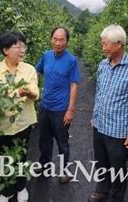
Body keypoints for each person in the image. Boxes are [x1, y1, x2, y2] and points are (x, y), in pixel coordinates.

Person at [89, 25, 128, 202]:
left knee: (117, 167)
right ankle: (102, 189)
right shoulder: (103, 65)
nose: (103, 48)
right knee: (101, 162)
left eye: (106, 44)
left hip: (118, 130)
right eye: (102, 44)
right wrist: (94, 115)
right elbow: (99, 92)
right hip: (100, 126)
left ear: (119, 44)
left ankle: (116, 197)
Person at [0, 31, 39, 202]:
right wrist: (17, 92)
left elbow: (35, 93)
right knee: (3, 157)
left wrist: (29, 93)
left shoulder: (29, 69)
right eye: (18, 46)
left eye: (24, 45)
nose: (22, 50)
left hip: (22, 123)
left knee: (21, 156)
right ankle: (7, 190)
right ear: (5, 50)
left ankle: (21, 187)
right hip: (0, 125)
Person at [35, 26, 81, 184]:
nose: (58, 42)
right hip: (45, 106)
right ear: (51, 39)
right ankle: (44, 165)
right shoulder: (46, 55)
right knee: (44, 139)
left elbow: (74, 85)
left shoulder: (71, 60)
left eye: (62, 39)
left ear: (67, 42)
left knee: (62, 141)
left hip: (61, 109)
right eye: (55, 38)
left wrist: (70, 110)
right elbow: (37, 72)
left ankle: (64, 171)